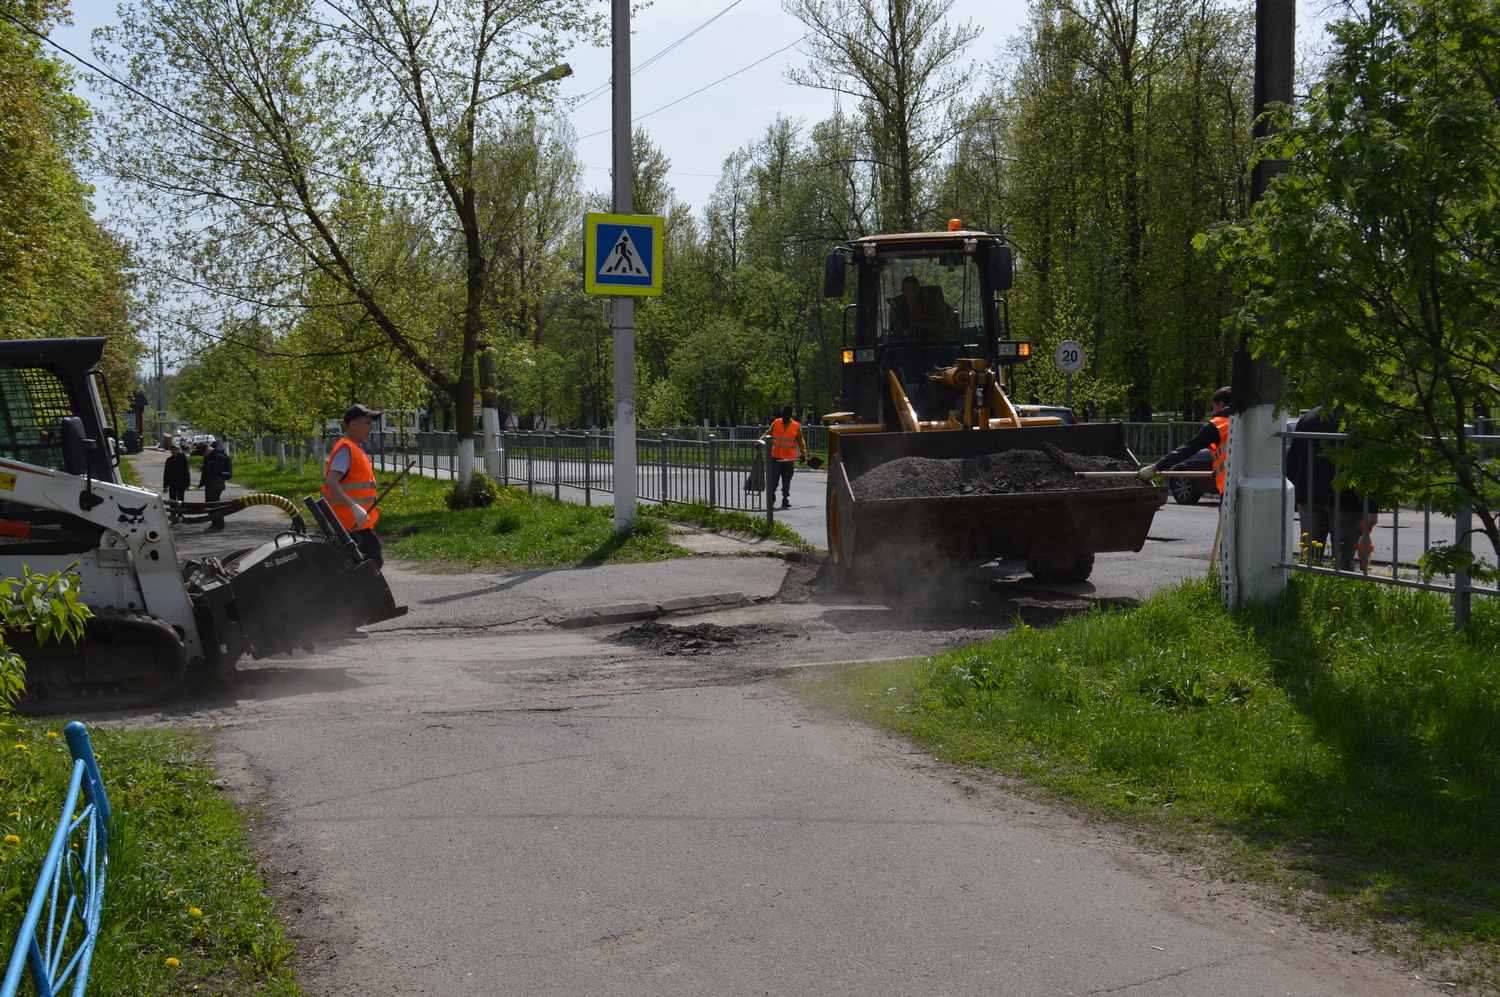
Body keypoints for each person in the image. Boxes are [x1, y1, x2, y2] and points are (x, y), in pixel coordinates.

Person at [1285, 406, 1378, 570]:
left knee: (1310, 557)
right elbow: (1370, 467)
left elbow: (1292, 462)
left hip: (1310, 496)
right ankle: (1342, 591)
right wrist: (1371, 505)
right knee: (1343, 559)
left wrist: (1299, 497)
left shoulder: (1308, 418)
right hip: (1347, 499)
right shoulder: (1358, 420)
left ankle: (1309, 589)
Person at [1138, 386, 1233, 494]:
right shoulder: (1249, 422)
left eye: (1214, 407)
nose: (1213, 412)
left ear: (1221, 405)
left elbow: (1187, 449)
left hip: (1229, 490)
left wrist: (1154, 468)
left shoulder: (1216, 426)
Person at [323, 403, 384, 568]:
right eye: (368, 422)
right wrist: (354, 507)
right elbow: (331, 482)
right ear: (353, 424)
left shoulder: (355, 448)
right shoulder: (346, 449)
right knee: (360, 566)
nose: (372, 427)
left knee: (372, 562)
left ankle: (364, 594)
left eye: (372, 423)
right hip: (346, 525)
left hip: (359, 523)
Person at [758, 405, 808, 509]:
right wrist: (760, 441)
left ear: (790, 414)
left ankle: (785, 499)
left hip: (788, 459)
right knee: (773, 481)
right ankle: (771, 499)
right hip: (775, 458)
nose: (783, 415)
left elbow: (801, 441)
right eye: (782, 412)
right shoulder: (776, 422)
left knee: (786, 481)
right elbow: (768, 433)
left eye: (785, 413)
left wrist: (803, 454)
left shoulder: (795, 426)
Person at [199, 440, 232, 531]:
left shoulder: (217, 456)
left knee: (215, 504)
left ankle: (219, 525)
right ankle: (214, 523)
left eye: (204, 454)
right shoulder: (212, 455)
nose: (204, 456)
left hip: (216, 483)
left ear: (208, 449)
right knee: (210, 504)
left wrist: (203, 467)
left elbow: (216, 471)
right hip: (211, 483)